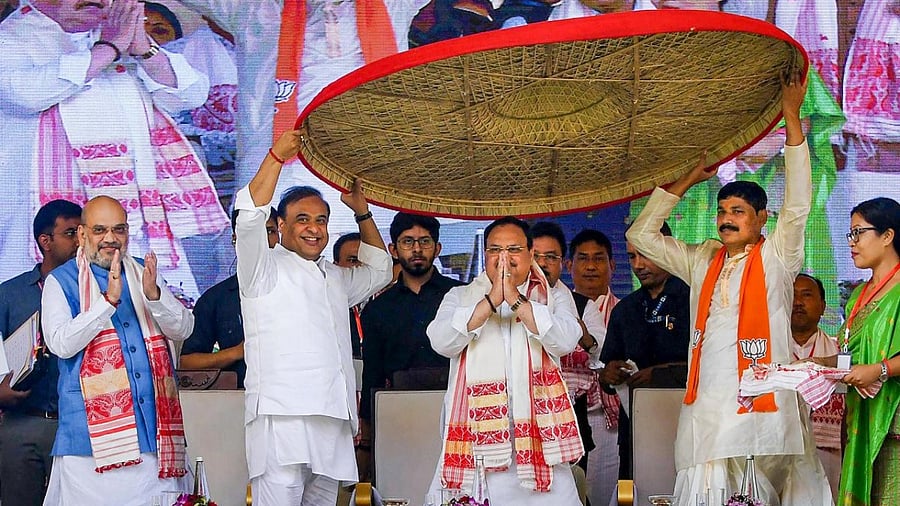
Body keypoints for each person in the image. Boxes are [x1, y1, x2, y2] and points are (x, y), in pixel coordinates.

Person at [626, 74, 832, 505]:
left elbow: (799, 203)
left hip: (762, 406)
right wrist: (685, 181)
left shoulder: (778, 257)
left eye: (738, 211)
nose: (727, 219)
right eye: (722, 211)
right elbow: (642, 235)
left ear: (761, 218)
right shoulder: (703, 259)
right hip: (707, 405)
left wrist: (791, 119)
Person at [0, 0, 230, 299]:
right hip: (43, 217)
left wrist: (143, 49)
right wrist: (107, 49)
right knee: (47, 320)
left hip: (132, 221)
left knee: (149, 316)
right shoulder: (13, 35)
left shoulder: (116, 34)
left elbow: (190, 94)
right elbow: (26, 93)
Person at [234, 130, 393, 505]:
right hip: (282, 418)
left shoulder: (334, 276)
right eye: (302, 219)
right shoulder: (262, 269)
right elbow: (249, 216)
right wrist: (275, 157)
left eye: (321, 220)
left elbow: (381, 270)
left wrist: (361, 211)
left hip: (332, 419)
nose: (314, 228)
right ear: (282, 228)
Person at [40, 196, 195, 504]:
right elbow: (60, 343)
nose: (110, 239)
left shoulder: (142, 274)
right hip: (89, 448)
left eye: (119, 229)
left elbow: (183, 328)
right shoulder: (61, 281)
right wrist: (106, 304)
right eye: (100, 230)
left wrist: (155, 296)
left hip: (154, 440)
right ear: (82, 235)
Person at [426, 216, 583, 505]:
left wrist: (514, 300)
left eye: (513, 250)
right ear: (485, 254)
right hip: (477, 445)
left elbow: (564, 340)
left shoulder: (555, 297)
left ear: (530, 253)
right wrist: (490, 301)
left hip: (540, 444)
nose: (504, 259)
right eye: (495, 250)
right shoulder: (460, 296)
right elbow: (442, 341)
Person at [358, 212, 463, 480]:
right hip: (397, 415)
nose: (417, 249)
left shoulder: (463, 296)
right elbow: (372, 376)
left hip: (455, 410)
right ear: (393, 249)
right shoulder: (378, 308)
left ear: (437, 248)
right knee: (402, 486)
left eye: (425, 241)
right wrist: (367, 443)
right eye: (407, 241)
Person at [0, 199, 81, 506]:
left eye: (82, 232)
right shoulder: (10, 294)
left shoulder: (97, 291)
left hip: (80, 424)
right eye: (71, 233)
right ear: (45, 241)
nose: (79, 241)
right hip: (24, 424)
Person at [598, 221, 691, 480]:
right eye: (631, 256)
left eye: (646, 255)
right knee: (633, 493)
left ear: (669, 250)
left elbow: (712, 366)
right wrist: (609, 375)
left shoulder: (695, 300)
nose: (638, 265)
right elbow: (607, 371)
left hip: (686, 422)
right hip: (635, 426)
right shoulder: (625, 310)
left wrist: (660, 375)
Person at [838, 197, 900, 505]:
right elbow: (850, 354)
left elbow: (872, 366)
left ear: (887, 236)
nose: (852, 243)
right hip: (860, 419)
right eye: (850, 234)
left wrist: (880, 370)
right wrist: (813, 364)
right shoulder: (858, 294)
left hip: (894, 425)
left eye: (859, 233)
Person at [179, 208, 279, 388]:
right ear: (235, 238)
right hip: (238, 403)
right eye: (252, 233)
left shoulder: (301, 289)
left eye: (270, 231)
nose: (262, 241)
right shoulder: (216, 299)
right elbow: (187, 363)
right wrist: (237, 352)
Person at [567, 228, 620, 505]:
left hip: (608, 421)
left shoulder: (625, 311)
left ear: (612, 265)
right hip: (566, 419)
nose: (590, 266)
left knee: (605, 497)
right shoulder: (553, 310)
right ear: (569, 266)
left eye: (598, 259)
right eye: (582, 259)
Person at [789, 273, 842, 498]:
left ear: (822, 306)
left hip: (828, 451)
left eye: (807, 295)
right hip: (780, 447)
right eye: (791, 295)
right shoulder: (767, 352)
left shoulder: (838, 352)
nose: (798, 302)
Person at [334, 232, 365, 358]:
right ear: (335, 266)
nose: (361, 266)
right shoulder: (325, 305)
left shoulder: (387, 304)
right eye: (353, 260)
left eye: (366, 261)